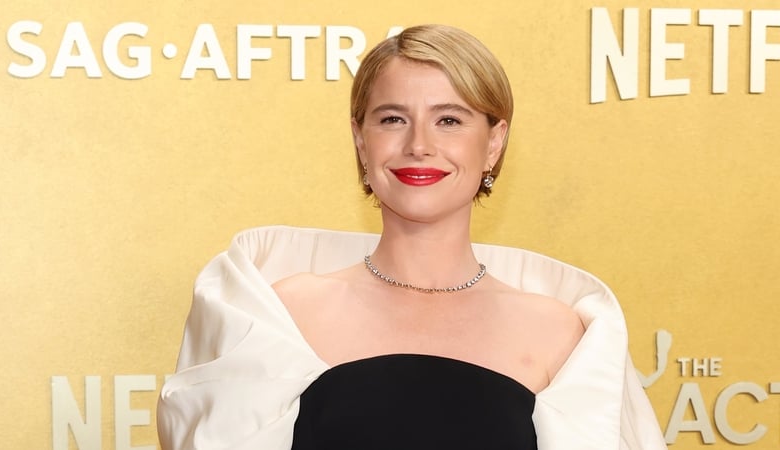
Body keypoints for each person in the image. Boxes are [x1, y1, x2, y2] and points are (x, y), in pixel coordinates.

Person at [157, 24, 667, 449]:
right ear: (361, 140)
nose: (419, 145)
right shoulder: (281, 314)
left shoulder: (560, 335)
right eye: (393, 119)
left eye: (449, 119)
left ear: (493, 143)